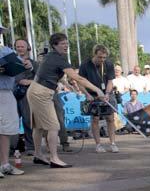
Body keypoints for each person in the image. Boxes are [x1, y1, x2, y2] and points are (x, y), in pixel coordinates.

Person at [28, 33, 105, 168]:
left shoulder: (51, 56)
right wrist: (97, 90)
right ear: (54, 45)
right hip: (41, 92)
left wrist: (68, 86)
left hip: (36, 90)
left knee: (39, 127)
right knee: (53, 126)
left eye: (66, 43)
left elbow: (55, 76)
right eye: (62, 43)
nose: (66, 45)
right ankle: (54, 158)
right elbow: (78, 78)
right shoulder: (58, 58)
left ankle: (38, 155)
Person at [79, 44, 119, 153]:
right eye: (100, 57)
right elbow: (80, 82)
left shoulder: (109, 64)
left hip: (106, 93)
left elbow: (110, 81)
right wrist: (87, 94)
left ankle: (113, 143)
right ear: (94, 54)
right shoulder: (85, 65)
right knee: (95, 119)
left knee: (110, 118)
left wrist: (107, 93)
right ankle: (98, 145)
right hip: (93, 95)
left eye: (104, 57)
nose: (102, 60)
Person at [0, 27, 29, 177]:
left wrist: (27, 65)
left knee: (6, 129)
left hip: (6, 92)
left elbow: (21, 64)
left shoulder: (6, 50)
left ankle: (5, 164)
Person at [12, 39, 36, 156]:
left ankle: (31, 147)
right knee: (12, 122)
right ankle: (12, 148)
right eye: (17, 46)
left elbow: (40, 77)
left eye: (22, 46)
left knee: (28, 121)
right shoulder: (11, 61)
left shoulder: (34, 63)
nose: (20, 48)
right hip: (12, 95)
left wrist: (30, 81)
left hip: (26, 95)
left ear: (28, 47)